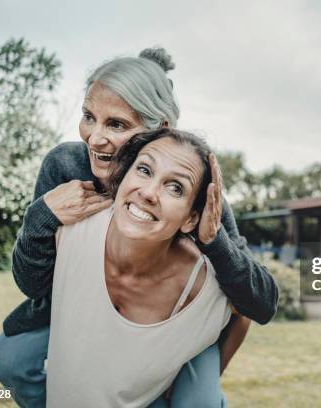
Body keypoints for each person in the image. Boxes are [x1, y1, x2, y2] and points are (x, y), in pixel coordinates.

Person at [0, 47, 278, 407]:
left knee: (195, 403)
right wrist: (40, 218)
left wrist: (214, 240)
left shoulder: (192, 193)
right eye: (89, 117)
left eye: (117, 125)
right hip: (81, 309)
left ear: (162, 131)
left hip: (171, 324)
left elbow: (257, 301)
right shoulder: (65, 166)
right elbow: (34, 285)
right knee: (9, 359)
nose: (94, 138)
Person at [47, 128, 238, 406]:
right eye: (145, 170)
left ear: (190, 219)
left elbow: (246, 311)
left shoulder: (201, 288)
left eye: (175, 187)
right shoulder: (72, 229)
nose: (149, 193)